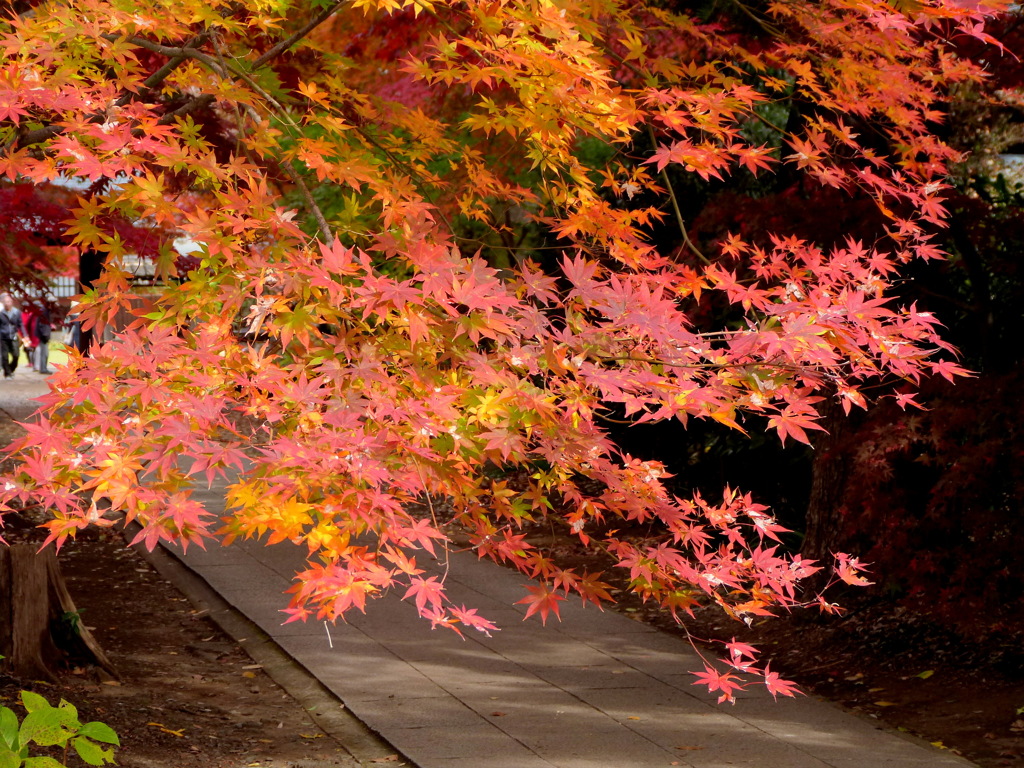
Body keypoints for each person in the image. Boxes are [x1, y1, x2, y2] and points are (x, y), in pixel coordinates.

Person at [0, 293, 22, 378]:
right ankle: (7, 373)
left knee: (16, 355)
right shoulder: (1, 313)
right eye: (5, 302)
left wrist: (25, 335)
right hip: (3, 337)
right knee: (4, 356)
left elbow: (20, 324)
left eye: (8, 302)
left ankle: (11, 369)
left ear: (11, 303)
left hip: (13, 336)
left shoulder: (16, 312)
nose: (7, 304)